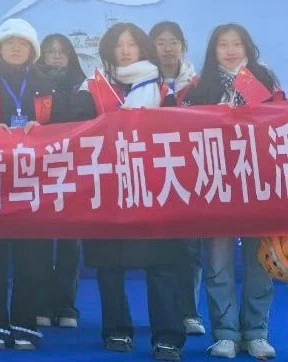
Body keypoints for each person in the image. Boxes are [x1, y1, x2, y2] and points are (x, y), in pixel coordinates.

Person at [72, 22, 185, 361]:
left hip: (153, 186)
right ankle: (117, 330)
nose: (124, 50)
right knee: (109, 264)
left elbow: (178, 133)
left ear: (142, 48)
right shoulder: (91, 87)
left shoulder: (161, 88)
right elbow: (74, 130)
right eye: (118, 44)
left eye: (131, 44)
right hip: (105, 186)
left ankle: (167, 336)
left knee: (162, 264)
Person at [0, 19, 73, 350]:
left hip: (34, 179)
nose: (15, 47)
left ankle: (25, 324)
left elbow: (67, 127)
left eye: (22, 43)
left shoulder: (46, 84)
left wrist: (45, 129)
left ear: (32, 50)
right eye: (9, 42)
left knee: (34, 256)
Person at [185, 23, 282, 360]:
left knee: (260, 261)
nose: (230, 50)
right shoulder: (200, 86)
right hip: (217, 186)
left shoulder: (265, 79)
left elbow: (284, 119)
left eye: (237, 43)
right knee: (217, 263)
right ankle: (225, 333)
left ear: (247, 47)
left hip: (258, 184)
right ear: (213, 50)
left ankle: (256, 332)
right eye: (223, 44)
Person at [149, 21, 204, 338]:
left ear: (183, 46)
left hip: (190, 174)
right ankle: (165, 314)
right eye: (160, 42)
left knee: (189, 247)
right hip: (153, 172)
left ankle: (189, 312)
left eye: (173, 42)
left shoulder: (198, 85)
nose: (167, 48)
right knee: (159, 250)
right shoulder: (141, 83)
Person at [35, 33, 86, 329]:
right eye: (50, 51)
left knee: (70, 241)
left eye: (62, 51)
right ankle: (41, 304)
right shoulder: (31, 84)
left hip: (73, 169)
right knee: (40, 240)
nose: (56, 56)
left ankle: (66, 305)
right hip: (40, 168)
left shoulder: (83, 85)